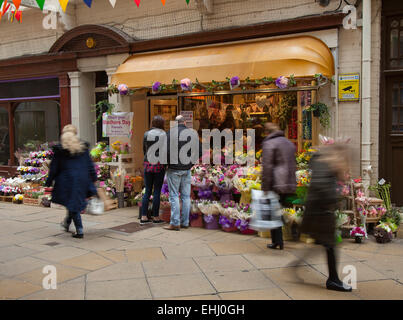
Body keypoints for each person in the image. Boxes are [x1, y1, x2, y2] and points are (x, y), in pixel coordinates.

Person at [299, 141, 352, 292]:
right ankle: (333, 280)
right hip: (321, 212)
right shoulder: (325, 162)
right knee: (330, 244)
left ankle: (296, 266)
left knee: (324, 244)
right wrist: (333, 199)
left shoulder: (324, 161)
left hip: (319, 211)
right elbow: (321, 186)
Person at [46, 125, 97, 238]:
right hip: (82, 179)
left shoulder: (60, 150)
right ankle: (66, 223)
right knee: (72, 202)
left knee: (73, 204)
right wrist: (93, 178)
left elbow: (54, 168)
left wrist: (49, 181)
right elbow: (89, 164)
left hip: (67, 180)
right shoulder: (82, 148)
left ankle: (79, 231)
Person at [261, 122, 296, 250]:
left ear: (267, 132)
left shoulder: (269, 143)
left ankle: (277, 240)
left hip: (276, 182)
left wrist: (265, 186)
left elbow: (267, 167)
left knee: (273, 211)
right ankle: (277, 240)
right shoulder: (288, 142)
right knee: (277, 208)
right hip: (288, 181)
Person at [164, 115, 199, 231]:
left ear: (175, 122)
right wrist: (190, 164)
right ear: (185, 122)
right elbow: (198, 151)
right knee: (186, 196)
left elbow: (165, 151)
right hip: (186, 168)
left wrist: (167, 164)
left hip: (173, 168)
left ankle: (175, 222)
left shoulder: (170, 133)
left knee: (174, 196)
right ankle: (185, 222)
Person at [140, 115, 167, 225]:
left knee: (147, 191)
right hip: (159, 165)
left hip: (148, 164)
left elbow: (144, 149)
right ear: (161, 124)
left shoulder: (146, 134)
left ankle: (144, 216)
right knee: (156, 191)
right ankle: (155, 217)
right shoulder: (164, 134)